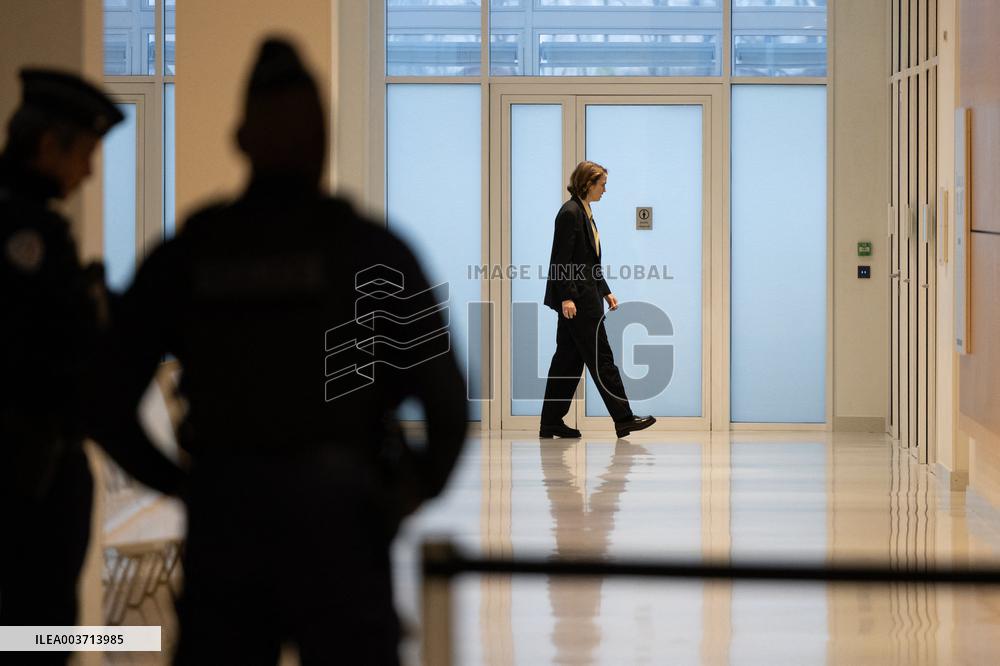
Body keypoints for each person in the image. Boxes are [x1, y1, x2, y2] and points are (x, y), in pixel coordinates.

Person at [93, 39, 468, 665]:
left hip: (227, 525)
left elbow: (101, 397)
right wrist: (396, 500)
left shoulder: (192, 254)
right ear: (324, 141)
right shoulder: (371, 252)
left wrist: (186, 486)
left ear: (241, 139)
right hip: (342, 529)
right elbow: (448, 407)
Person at [0, 69, 184, 657]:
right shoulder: (25, 233)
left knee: (34, 625)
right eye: (86, 152)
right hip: (30, 469)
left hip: (33, 463)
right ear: (49, 145)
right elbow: (61, 353)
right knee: (39, 625)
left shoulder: (35, 226)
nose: (90, 171)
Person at [540, 161, 656, 439]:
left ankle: (551, 422)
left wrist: (605, 290)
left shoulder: (583, 212)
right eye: (601, 184)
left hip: (585, 296)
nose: (605, 189)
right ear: (587, 184)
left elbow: (588, 260)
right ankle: (624, 418)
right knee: (601, 358)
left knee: (567, 361)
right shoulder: (570, 213)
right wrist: (567, 297)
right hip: (578, 301)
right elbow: (561, 259)